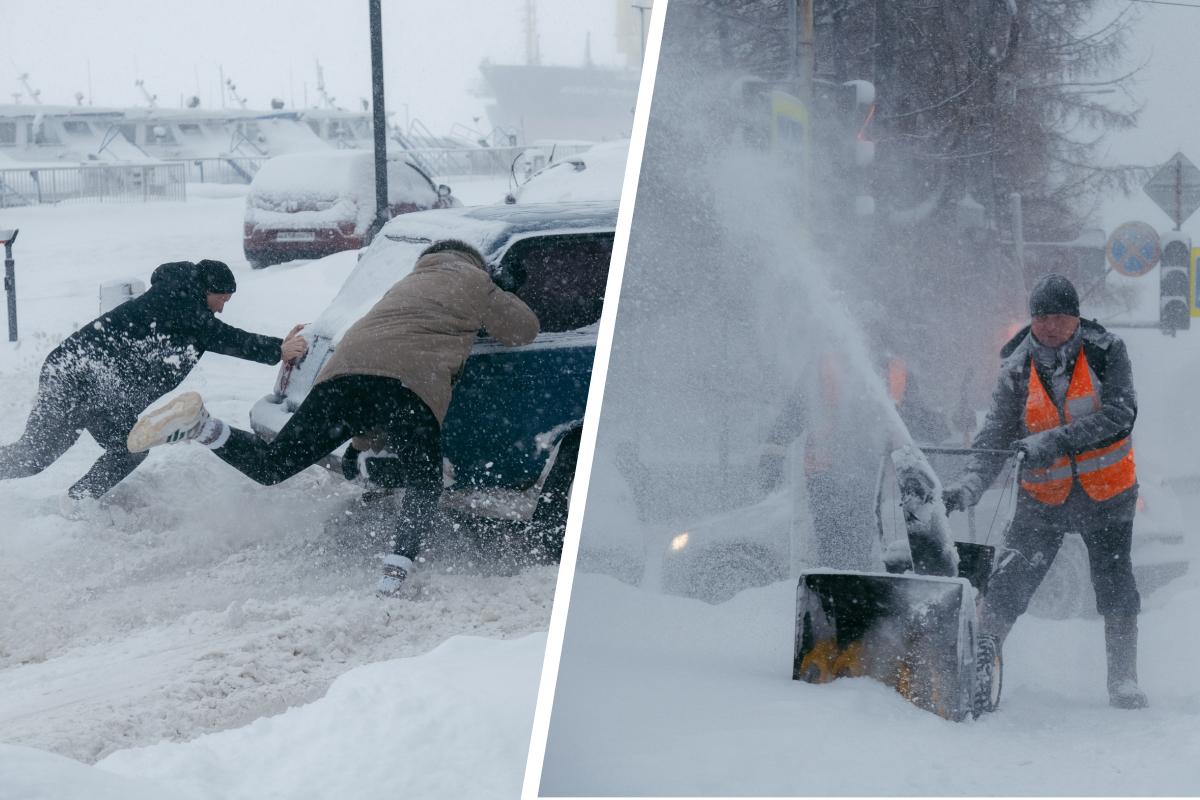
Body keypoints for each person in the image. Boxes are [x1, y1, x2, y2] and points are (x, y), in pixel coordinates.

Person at [127, 240, 540, 596]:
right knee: (425, 480)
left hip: (341, 379)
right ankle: (395, 574)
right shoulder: (475, 280)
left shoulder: (404, 284)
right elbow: (524, 331)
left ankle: (204, 428)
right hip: (408, 386)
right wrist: (504, 292)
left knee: (274, 465)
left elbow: (386, 352)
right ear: (475, 262)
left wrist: (359, 443)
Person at [942, 274, 1146, 709]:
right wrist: (971, 485)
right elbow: (994, 435)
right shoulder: (1016, 368)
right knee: (1006, 585)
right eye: (1041, 317)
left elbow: (1120, 414)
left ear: (1075, 318)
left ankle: (1123, 681)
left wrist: (1053, 441)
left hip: (1108, 495)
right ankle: (978, 670)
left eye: (1058, 317)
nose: (1049, 326)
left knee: (1115, 586)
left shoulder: (1107, 353)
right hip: (1043, 500)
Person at [0, 259, 306, 503]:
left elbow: (210, 331)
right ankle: (79, 501)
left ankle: (78, 503)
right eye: (221, 299)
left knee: (130, 447)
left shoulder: (186, 303)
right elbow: (219, 335)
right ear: (207, 290)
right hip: (75, 375)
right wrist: (277, 349)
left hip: (102, 390)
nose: (221, 307)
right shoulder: (177, 299)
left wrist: (278, 346)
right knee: (33, 456)